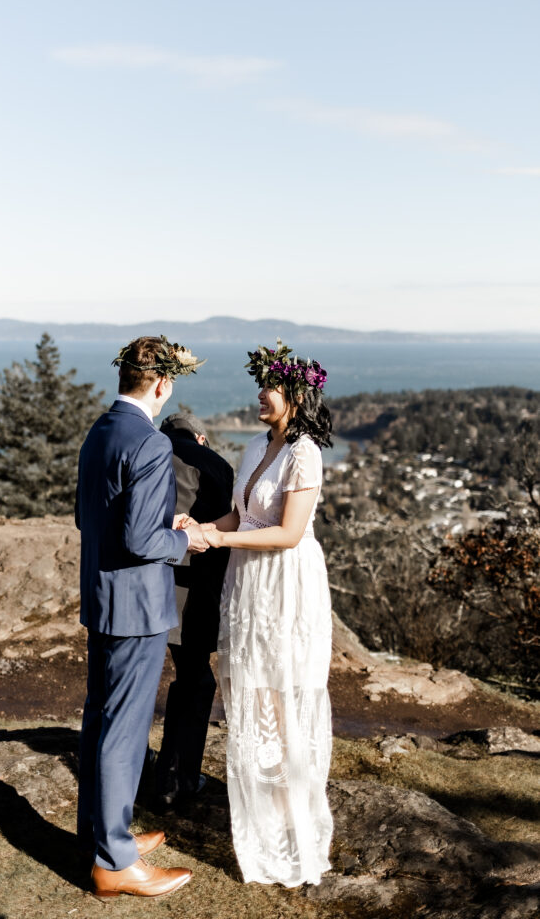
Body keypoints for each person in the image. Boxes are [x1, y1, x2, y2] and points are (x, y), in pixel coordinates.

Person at [75, 335, 209, 899]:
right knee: (124, 733)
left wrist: (158, 528)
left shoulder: (101, 431)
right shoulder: (152, 445)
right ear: (161, 384)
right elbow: (139, 537)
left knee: (101, 720)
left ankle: (100, 835)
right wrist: (184, 540)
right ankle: (115, 860)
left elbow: (92, 519)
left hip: (104, 598)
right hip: (137, 609)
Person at [203, 340, 334, 888]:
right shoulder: (256, 444)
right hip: (248, 582)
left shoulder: (305, 452)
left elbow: (287, 533)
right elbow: (241, 515)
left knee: (284, 695)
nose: (260, 394)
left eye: (270, 387)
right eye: (261, 385)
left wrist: (215, 539)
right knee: (251, 692)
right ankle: (259, 821)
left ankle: (293, 833)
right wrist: (203, 528)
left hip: (285, 584)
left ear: (296, 397)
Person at [154, 412, 234, 809]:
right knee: (195, 681)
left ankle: (134, 770)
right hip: (195, 594)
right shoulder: (217, 464)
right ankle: (178, 778)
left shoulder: (149, 452)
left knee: (137, 683)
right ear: (200, 437)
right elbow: (224, 536)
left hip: (148, 585)